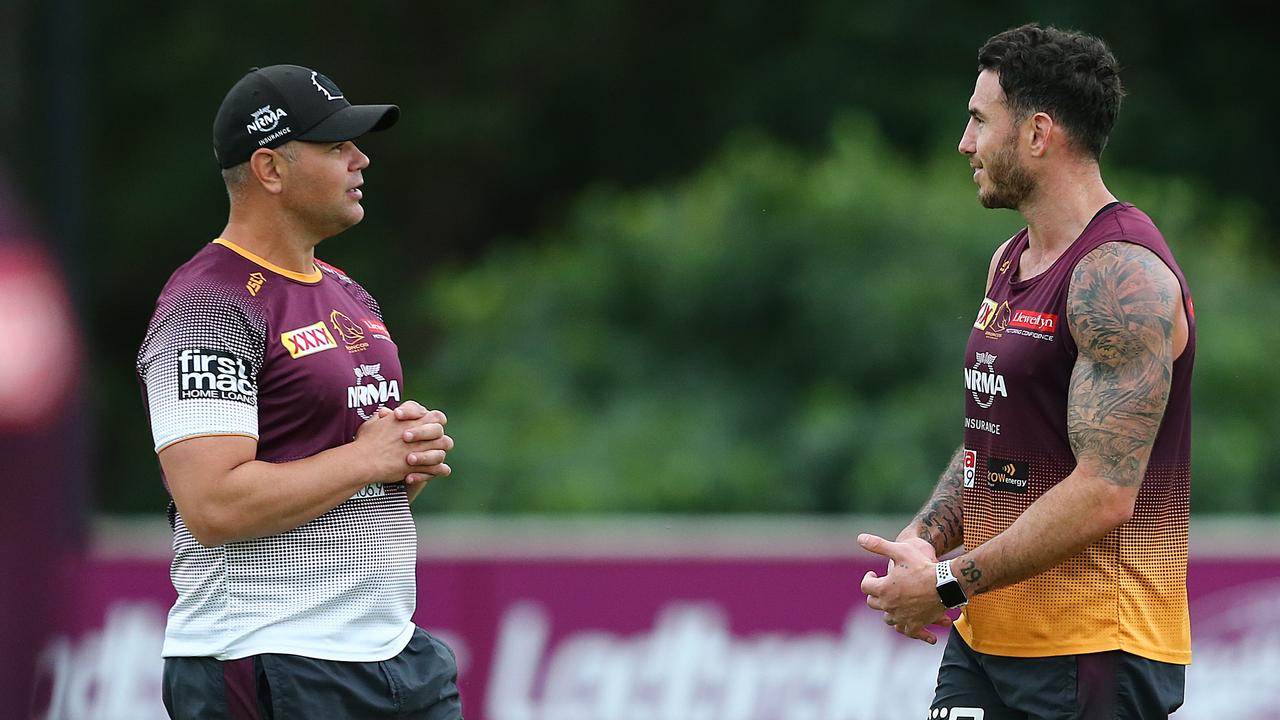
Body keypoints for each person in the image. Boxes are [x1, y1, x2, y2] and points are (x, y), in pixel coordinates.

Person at [857, 24, 1194, 719]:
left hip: (1093, 648)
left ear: (1038, 134)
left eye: (980, 120)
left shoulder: (1120, 275)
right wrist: (924, 541)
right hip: (986, 640)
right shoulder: (1010, 260)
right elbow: (994, 445)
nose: (965, 143)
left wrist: (946, 583)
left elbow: (1104, 492)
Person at [137, 64, 462, 719]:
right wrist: (369, 459)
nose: (361, 159)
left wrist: (404, 459)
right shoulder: (208, 302)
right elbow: (212, 504)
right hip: (265, 657)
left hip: (394, 654)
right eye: (337, 146)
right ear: (270, 169)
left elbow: (341, 467)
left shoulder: (348, 292)